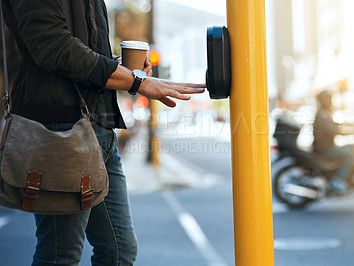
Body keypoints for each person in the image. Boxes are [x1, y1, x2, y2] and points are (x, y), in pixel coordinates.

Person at [2, 0, 205, 265]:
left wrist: (121, 67)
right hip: (59, 132)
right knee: (59, 256)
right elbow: (53, 48)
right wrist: (137, 82)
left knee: (119, 252)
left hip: (100, 128)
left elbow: (85, 54)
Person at [313, 90, 354, 193]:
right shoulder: (322, 114)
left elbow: (336, 125)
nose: (330, 102)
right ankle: (337, 179)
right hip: (324, 148)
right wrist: (347, 132)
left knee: (352, 147)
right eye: (328, 99)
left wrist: (352, 126)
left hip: (328, 146)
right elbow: (332, 129)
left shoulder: (326, 113)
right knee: (349, 154)